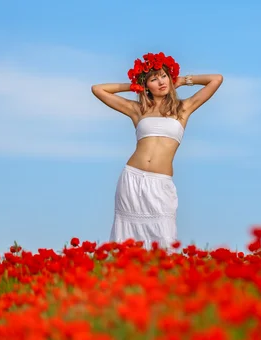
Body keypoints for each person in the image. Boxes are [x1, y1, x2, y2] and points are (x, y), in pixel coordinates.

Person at [91, 52, 223, 250]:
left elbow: (216, 80)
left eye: (163, 76)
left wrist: (182, 81)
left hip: (160, 183)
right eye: (154, 78)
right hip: (132, 178)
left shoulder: (183, 109)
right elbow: (98, 89)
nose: (161, 82)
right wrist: (134, 85)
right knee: (126, 238)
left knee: (164, 236)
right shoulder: (138, 110)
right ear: (146, 85)